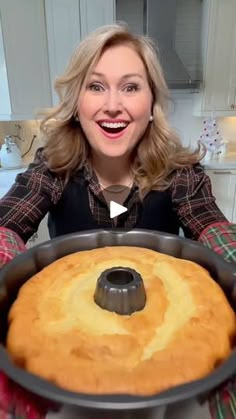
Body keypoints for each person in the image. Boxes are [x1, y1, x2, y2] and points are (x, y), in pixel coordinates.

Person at [0, 23, 235, 419]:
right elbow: (6, 225)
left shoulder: (182, 173)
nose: (113, 105)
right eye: (96, 86)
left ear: (151, 101)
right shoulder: (53, 168)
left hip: (168, 367)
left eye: (130, 87)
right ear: (77, 101)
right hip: (67, 367)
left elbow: (215, 233)